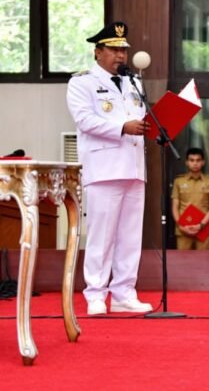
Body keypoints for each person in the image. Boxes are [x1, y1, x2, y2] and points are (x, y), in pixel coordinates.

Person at [66, 21, 153, 315]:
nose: (121, 56)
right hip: (103, 167)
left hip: (134, 167)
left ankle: (124, 292)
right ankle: (95, 294)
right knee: (102, 235)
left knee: (130, 235)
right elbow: (85, 121)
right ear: (98, 52)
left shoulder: (135, 84)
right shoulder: (81, 82)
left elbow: (141, 120)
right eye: (114, 50)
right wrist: (123, 127)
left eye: (124, 50)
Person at [171, 147, 209, 250]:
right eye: (191, 160)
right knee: (182, 262)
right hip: (183, 228)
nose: (195, 163)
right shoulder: (178, 181)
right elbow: (175, 206)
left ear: (203, 162)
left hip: (204, 228)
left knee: (204, 262)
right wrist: (181, 226)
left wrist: (201, 225)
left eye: (198, 160)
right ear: (186, 162)